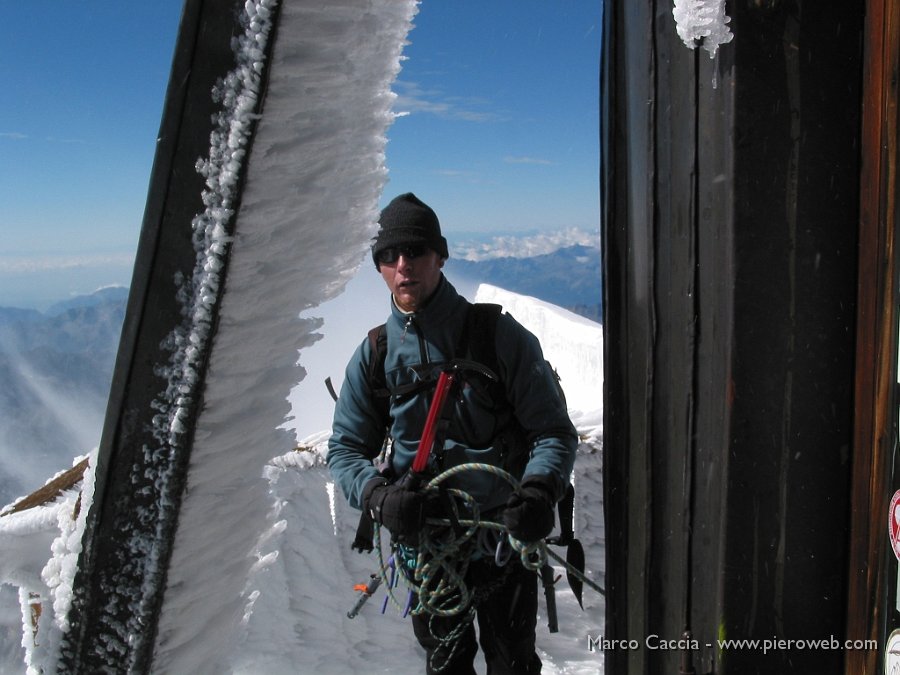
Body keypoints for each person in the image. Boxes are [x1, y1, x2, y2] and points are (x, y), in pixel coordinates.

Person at [327, 193, 578, 674]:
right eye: (389, 256)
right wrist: (379, 497)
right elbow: (345, 450)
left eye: (416, 252)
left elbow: (552, 431)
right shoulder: (376, 354)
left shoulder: (498, 336)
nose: (403, 266)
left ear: (439, 256)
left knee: (513, 663)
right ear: (379, 265)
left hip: (503, 538)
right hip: (429, 546)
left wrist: (539, 490)